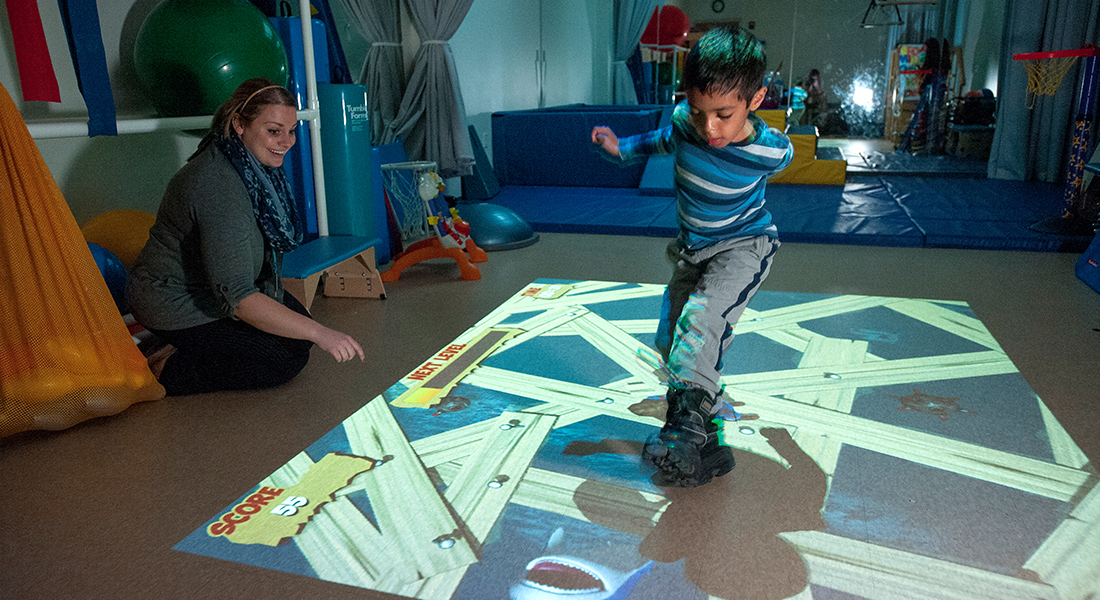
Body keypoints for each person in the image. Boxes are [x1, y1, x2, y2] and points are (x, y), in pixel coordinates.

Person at [589, 25, 793, 487]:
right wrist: (620, 148)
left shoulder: (770, 149)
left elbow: (783, 156)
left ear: (755, 100)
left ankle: (684, 429)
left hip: (745, 245)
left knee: (701, 322)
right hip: (692, 252)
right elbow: (664, 138)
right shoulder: (687, 121)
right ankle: (710, 440)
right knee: (673, 341)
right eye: (701, 112)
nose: (710, 128)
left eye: (724, 113)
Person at [128, 78, 364, 396]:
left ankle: (193, 347)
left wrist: (310, 331)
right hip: (174, 301)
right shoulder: (217, 184)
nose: (286, 141)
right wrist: (321, 332)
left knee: (297, 337)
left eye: (291, 130)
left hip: (216, 287)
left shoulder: (253, 165)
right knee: (282, 360)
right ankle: (162, 366)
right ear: (239, 124)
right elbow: (238, 299)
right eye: (273, 130)